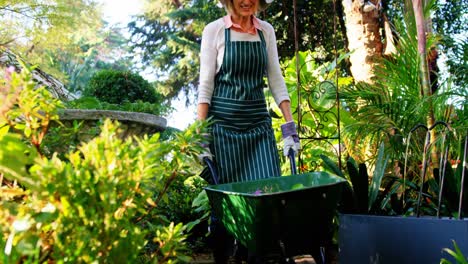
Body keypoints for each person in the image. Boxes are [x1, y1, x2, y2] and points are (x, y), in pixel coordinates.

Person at [197, 0, 300, 262]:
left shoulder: (266, 31)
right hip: (224, 130)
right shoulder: (215, 31)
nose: (247, 1)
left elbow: (276, 79)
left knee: (267, 199)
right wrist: (201, 135)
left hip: (258, 128)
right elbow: (205, 84)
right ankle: (224, 256)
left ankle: (254, 256)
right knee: (228, 207)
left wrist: (289, 128)